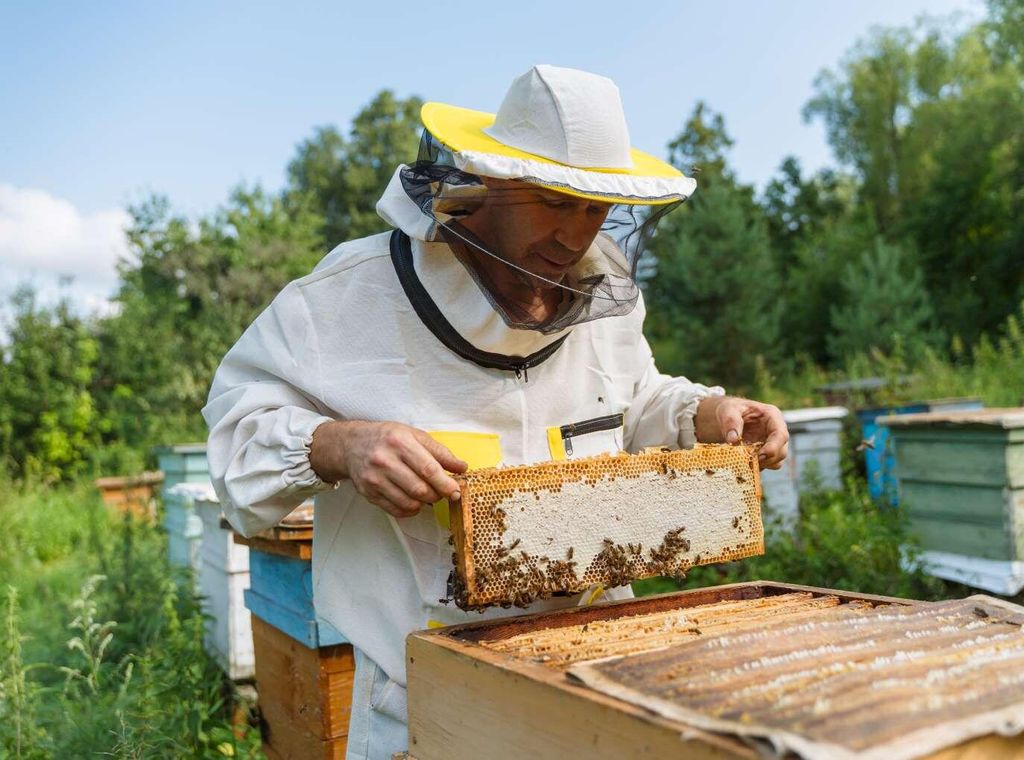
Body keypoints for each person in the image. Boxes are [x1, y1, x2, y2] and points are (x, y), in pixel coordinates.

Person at [204, 64, 790, 759]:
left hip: (599, 680)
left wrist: (708, 412)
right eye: (554, 201)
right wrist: (339, 445)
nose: (576, 236)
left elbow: (632, 401)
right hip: (421, 705)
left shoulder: (603, 293)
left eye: (595, 208)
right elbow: (236, 442)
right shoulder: (342, 299)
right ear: (489, 183)